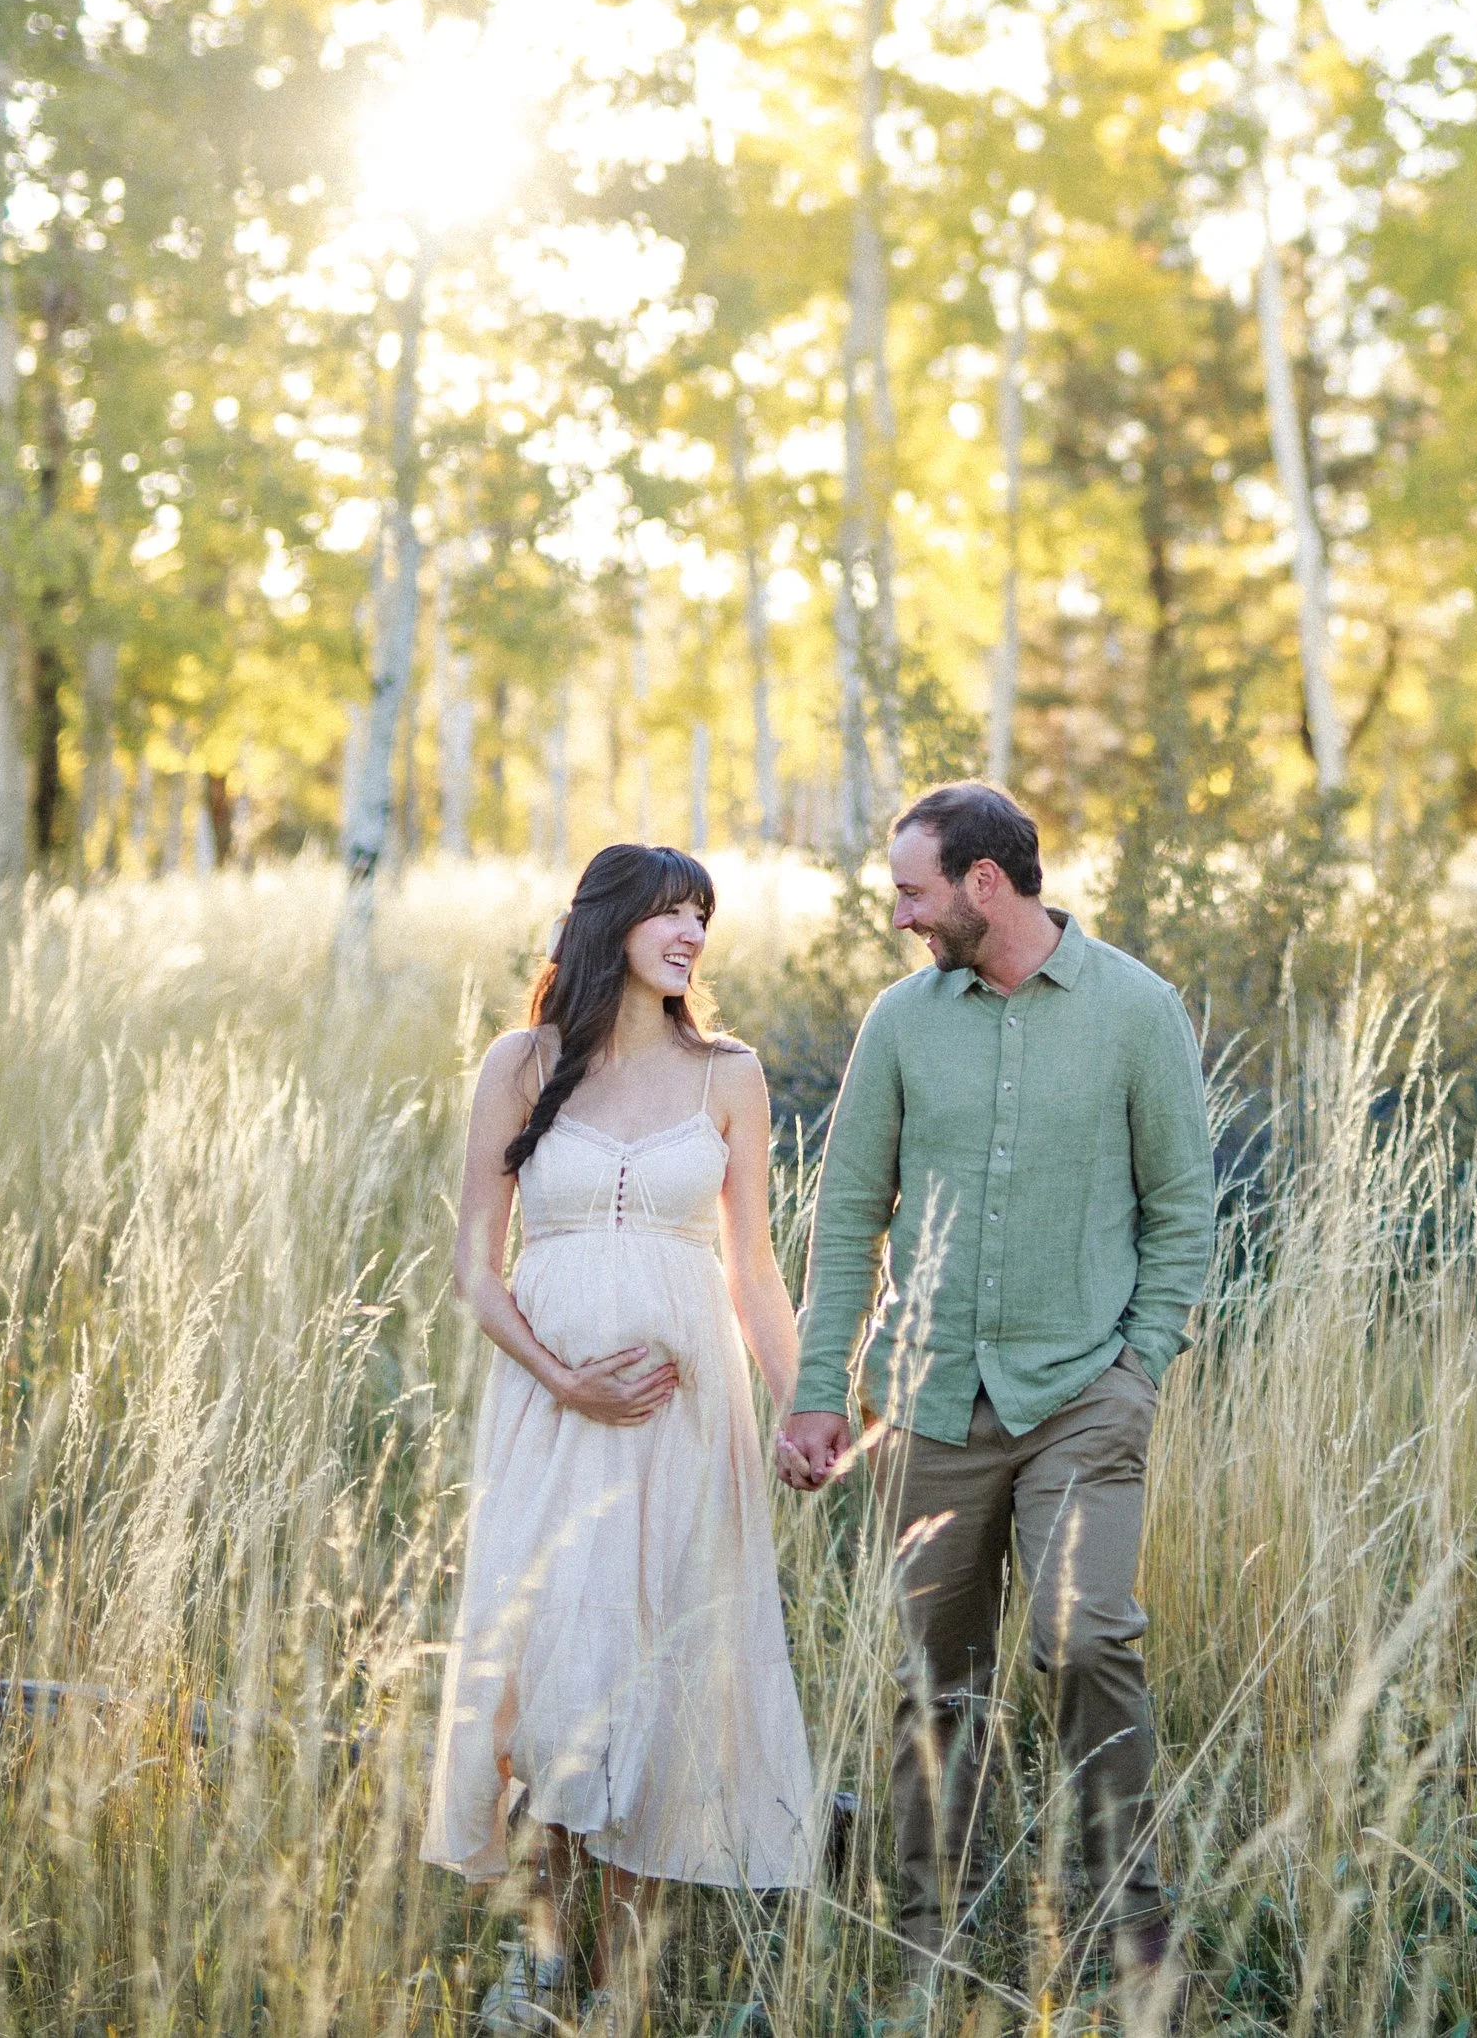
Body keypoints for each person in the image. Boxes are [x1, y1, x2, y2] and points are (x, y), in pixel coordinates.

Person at [775, 783, 1214, 2019]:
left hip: (1084, 1394)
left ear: (982, 883)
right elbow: (849, 1213)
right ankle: (935, 1943)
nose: (901, 916)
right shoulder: (901, 1024)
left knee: (1088, 1639)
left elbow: (1183, 1208)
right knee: (931, 1679)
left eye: (913, 891)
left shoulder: (1136, 1010)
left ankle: (1136, 1941)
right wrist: (821, 1390)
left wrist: (1141, 1367)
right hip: (929, 1404)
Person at [425, 842, 816, 2030]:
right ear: (609, 924)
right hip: (552, 1422)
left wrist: (804, 1406)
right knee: (554, 1672)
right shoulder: (522, 1060)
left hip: (688, 1430)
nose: (693, 932)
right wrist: (563, 1379)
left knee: (661, 1672)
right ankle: (540, 1959)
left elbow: (751, 1272)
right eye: (669, 912)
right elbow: (476, 1272)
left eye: (704, 914)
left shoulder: (728, 1075)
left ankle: (616, 1984)